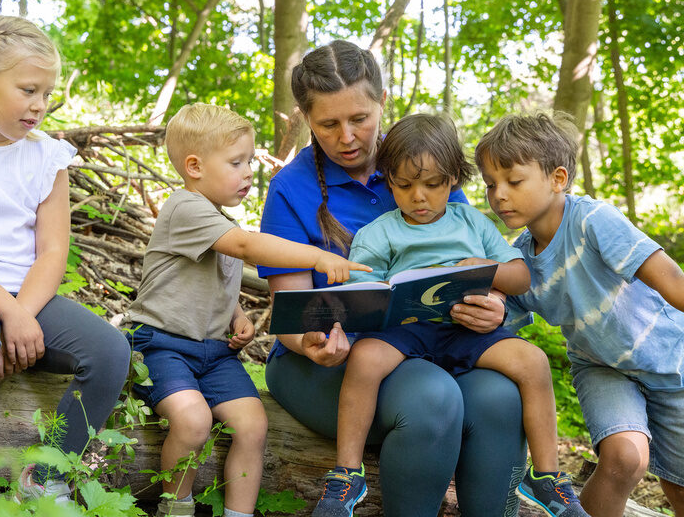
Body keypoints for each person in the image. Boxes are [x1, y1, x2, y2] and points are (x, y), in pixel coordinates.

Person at [258, 40, 528, 517]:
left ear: (382, 103)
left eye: (359, 118)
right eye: (328, 124)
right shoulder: (290, 190)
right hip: (324, 363)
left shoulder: (423, 163)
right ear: (304, 119)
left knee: (500, 397)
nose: (347, 137)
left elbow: (478, 263)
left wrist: (491, 307)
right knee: (431, 396)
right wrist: (314, 342)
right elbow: (291, 317)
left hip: (437, 341)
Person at [310, 113, 589, 517]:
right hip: (405, 332)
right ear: (389, 180)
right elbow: (362, 291)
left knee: (534, 361)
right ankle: (346, 476)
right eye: (404, 185)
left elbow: (521, 276)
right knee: (366, 358)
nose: (418, 197)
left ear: (454, 179)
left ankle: (546, 477)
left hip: (467, 329)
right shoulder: (380, 232)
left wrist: (484, 267)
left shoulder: (474, 223)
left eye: (433, 184)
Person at [0, 15, 131, 510]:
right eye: (29, 90)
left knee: (110, 349)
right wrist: (6, 315)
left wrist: (22, 313)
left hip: (28, 295)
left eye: (47, 94)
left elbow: (53, 252)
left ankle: (49, 474)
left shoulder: (49, 157)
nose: (39, 106)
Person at [125, 103, 370, 517]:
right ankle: (176, 510)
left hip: (213, 353)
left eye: (249, 162)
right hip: (161, 345)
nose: (247, 173)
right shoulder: (184, 208)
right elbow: (244, 246)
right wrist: (316, 256)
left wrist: (236, 313)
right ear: (194, 166)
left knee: (254, 425)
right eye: (236, 163)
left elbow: (208, 280)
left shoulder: (216, 219)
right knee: (193, 422)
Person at [476, 111, 684, 517]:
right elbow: (503, 314)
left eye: (513, 181)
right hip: (602, 368)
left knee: (679, 489)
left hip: (670, 361)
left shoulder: (593, 221)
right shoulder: (518, 261)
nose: (498, 194)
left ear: (558, 179)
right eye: (489, 185)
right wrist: (488, 310)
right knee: (625, 458)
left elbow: (672, 280)